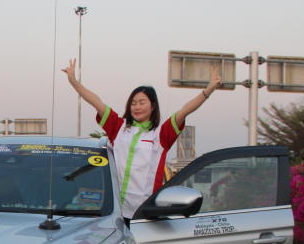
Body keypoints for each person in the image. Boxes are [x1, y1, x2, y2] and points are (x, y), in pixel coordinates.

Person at [63, 60, 221, 219]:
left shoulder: (161, 135)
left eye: (141, 102)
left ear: (152, 106)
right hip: (114, 212)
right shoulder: (118, 128)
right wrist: (74, 82)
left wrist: (208, 90)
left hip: (143, 215)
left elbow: (184, 111)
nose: (136, 107)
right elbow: (97, 102)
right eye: (133, 103)